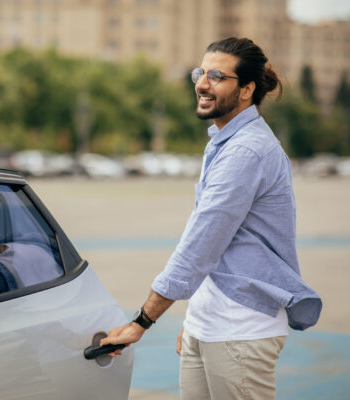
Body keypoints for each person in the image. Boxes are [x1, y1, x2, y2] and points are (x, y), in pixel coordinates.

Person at [100, 37, 322, 399]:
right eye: (200, 73)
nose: (202, 83)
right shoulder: (223, 141)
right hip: (211, 324)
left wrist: (143, 321)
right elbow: (221, 244)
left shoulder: (246, 150)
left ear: (247, 89)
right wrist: (198, 318)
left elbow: (201, 243)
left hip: (241, 329)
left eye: (217, 76)